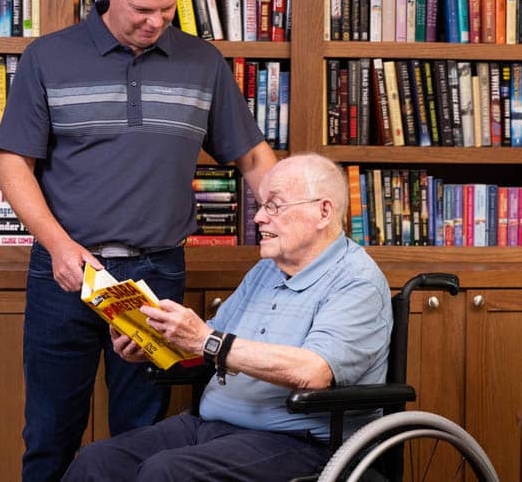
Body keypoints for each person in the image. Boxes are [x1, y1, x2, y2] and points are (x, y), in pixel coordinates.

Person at [0, 0, 277, 480]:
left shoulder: (204, 62)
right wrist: (57, 245)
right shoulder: (47, 58)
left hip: (156, 275)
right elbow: (13, 165)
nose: (156, 22)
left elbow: (254, 160)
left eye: (167, 10)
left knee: (145, 436)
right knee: (49, 433)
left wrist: (299, 219)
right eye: (143, 10)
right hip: (66, 273)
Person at [61, 153, 392, 482]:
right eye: (261, 206)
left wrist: (207, 339)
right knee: (97, 461)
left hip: (300, 441)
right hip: (213, 427)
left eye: (274, 206)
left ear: (323, 212)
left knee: (165, 472)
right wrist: (150, 343)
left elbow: (314, 372)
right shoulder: (265, 271)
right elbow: (207, 344)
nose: (259, 218)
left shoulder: (356, 280)